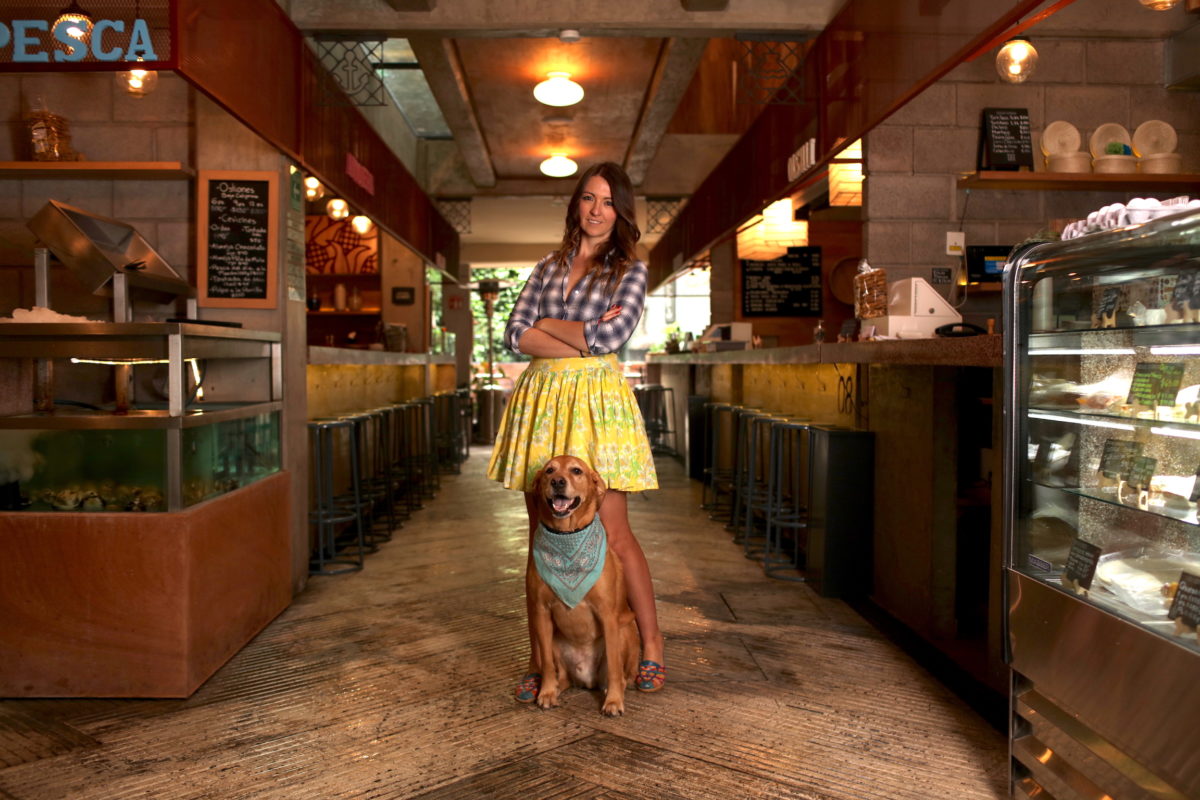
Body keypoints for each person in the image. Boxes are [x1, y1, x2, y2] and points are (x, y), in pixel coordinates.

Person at [486, 161, 666, 702]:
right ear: (576, 205)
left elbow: (613, 333)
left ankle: (652, 647)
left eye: (608, 201)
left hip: (595, 403)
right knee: (543, 535)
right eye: (588, 198)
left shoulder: (630, 269)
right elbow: (516, 334)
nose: (595, 210)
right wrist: (580, 339)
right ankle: (545, 662)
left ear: (622, 211)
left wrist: (555, 330)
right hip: (541, 401)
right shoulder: (546, 266)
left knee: (614, 534)